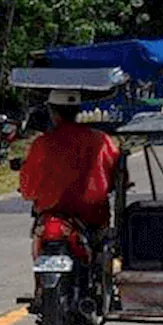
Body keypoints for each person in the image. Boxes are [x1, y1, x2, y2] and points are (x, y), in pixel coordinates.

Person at [18, 89, 121, 235]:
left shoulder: (42, 143)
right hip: (93, 218)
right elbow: (118, 177)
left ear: (53, 112)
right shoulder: (102, 140)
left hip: (52, 216)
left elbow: (28, 189)